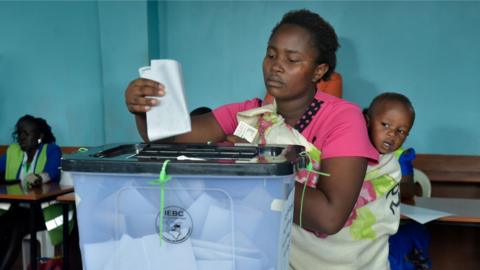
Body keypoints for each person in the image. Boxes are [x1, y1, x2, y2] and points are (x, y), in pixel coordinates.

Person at [125, 9, 382, 269]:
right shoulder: (252, 114)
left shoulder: (343, 119)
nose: (276, 65)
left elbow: (330, 217)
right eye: (271, 55)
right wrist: (144, 110)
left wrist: (257, 164)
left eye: (292, 59)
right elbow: (170, 138)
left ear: (319, 71)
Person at [0, 115, 62, 269]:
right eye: (19, 133)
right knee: (4, 225)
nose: (21, 137)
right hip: (17, 209)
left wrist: (39, 178)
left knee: (16, 226)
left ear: (39, 136)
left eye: (26, 133)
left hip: (45, 212)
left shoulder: (52, 150)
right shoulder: (13, 151)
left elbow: (52, 173)